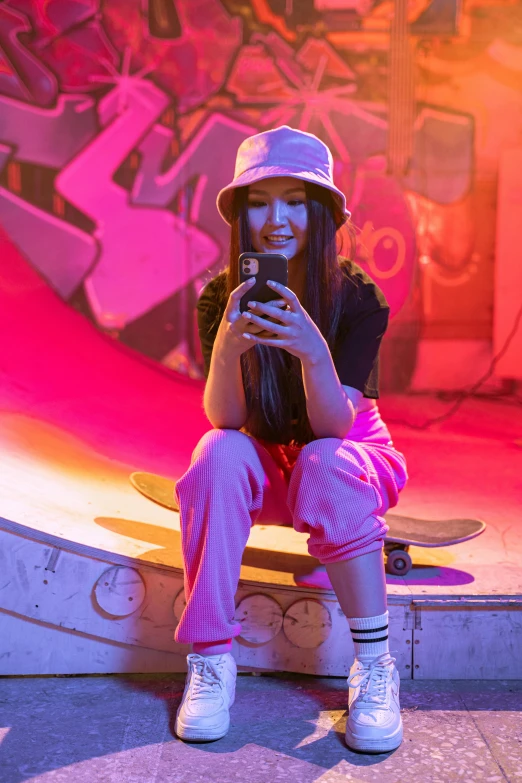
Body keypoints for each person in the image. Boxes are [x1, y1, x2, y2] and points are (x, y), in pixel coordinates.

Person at [173, 126, 408, 754]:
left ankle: (375, 667)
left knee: (326, 460)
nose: (276, 219)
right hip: (268, 467)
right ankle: (211, 661)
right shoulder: (222, 296)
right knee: (214, 453)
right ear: (242, 214)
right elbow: (225, 421)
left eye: (295, 200)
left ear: (321, 211)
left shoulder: (357, 299)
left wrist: (311, 352)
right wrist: (226, 345)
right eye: (259, 201)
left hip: (349, 458)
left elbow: (337, 427)